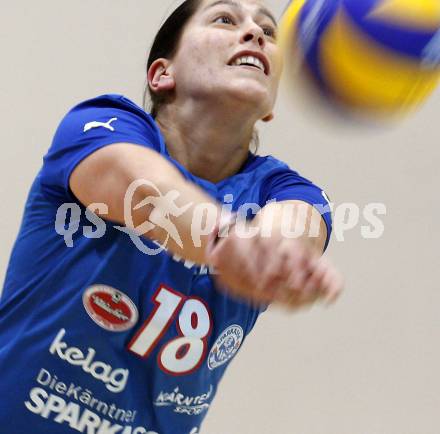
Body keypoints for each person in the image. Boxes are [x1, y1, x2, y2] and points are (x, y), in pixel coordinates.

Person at [0, 0, 343, 433]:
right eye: (225, 18)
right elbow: (147, 192)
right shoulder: (100, 125)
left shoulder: (288, 190)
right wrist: (231, 245)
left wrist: (279, 256)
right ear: (162, 74)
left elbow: (294, 225)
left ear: (270, 104)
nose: (256, 34)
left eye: (268, 32)